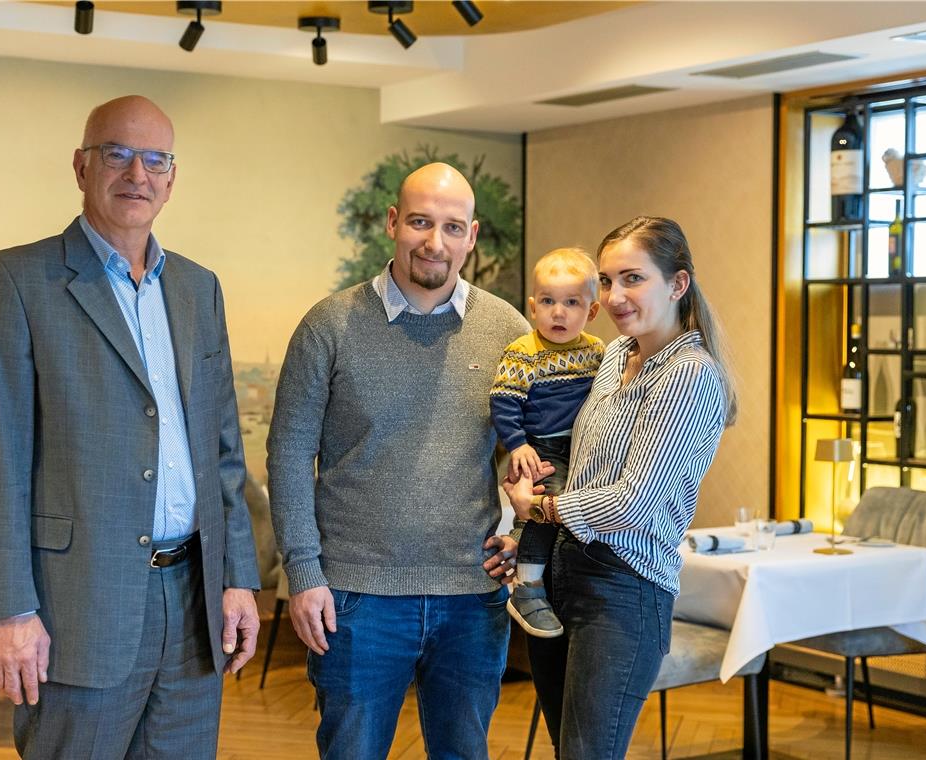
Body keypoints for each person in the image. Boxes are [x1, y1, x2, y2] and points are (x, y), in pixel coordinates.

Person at [0, 95, 260, 759]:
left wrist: (237, 578)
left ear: (172, 177)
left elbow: (222, 452)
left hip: (193, 602)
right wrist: (9, 609)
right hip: (78, 605)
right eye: (118, 154)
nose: (137, 174)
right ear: (81, 166)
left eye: (155, 159)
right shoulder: (17, 280)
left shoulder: (197, 288)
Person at [267, 162, 529, 760]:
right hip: (356, 599)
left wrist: (528, 537)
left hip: (473, 592)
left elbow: (541, 455)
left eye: (452, 227)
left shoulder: (508, 331)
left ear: (472, 236)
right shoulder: (328, 325)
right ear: (393, 223)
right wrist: (305, 575)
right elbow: (287, 455)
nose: (435, 242)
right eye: (420, 222)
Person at [503, 216, 737, 759]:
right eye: (606, 281)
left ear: (677, 285)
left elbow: (634, 501)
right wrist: (525, 538)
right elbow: (580, 467)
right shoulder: (612, 356)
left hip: (624, 589)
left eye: (632, 278)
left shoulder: (689, 373)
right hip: (563, 574)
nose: (613, 296)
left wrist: (539, 509)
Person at [490, 247, 604, 639]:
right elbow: (505, 402)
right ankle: (527, 585)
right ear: (534, 306)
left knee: (578, 509)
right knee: (546, 502)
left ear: (591, 311)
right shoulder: (524, 352)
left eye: (572, 303)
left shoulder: (596, 352)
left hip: (584, 446)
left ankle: (560, 576)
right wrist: (518, 444)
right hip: (539, 445)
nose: (559, 312)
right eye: (550, 302)